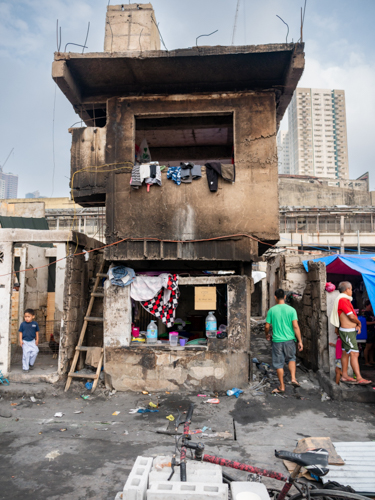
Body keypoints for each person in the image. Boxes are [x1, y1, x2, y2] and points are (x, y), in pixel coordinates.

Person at [329, 281, 371, 385]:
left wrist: (356, 324)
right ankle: (359, 378)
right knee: (354, 353)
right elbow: (351, 316)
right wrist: (359, 323)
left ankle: (344, 376)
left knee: (345, 353)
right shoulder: (343, 300)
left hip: (347, 331)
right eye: (351, 289)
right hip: (347, 332)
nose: (351, 291)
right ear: (347, 289)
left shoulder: (343, 300)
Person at [265, 288, 303, 394]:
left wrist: (267, 334)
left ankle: (282, 386)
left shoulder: (272, 310)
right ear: (285, 297)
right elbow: (295, 326)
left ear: (275, 297)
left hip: (277, 341)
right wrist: (300, 341)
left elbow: (267, 326)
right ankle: (293, 378)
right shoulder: (292, 310)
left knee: (278, 363)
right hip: (290, 340)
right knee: (291, 358)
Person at [363, 300, 375, 366]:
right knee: (368, 347)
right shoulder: (365, 313)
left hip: (373, 331)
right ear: (366, 305)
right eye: (370, 305)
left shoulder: (371, 313)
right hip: (369, 331)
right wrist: (373, 323)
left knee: (372, 347)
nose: (371, 306)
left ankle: (371, 360)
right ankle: (366, 361)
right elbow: (365, 323)